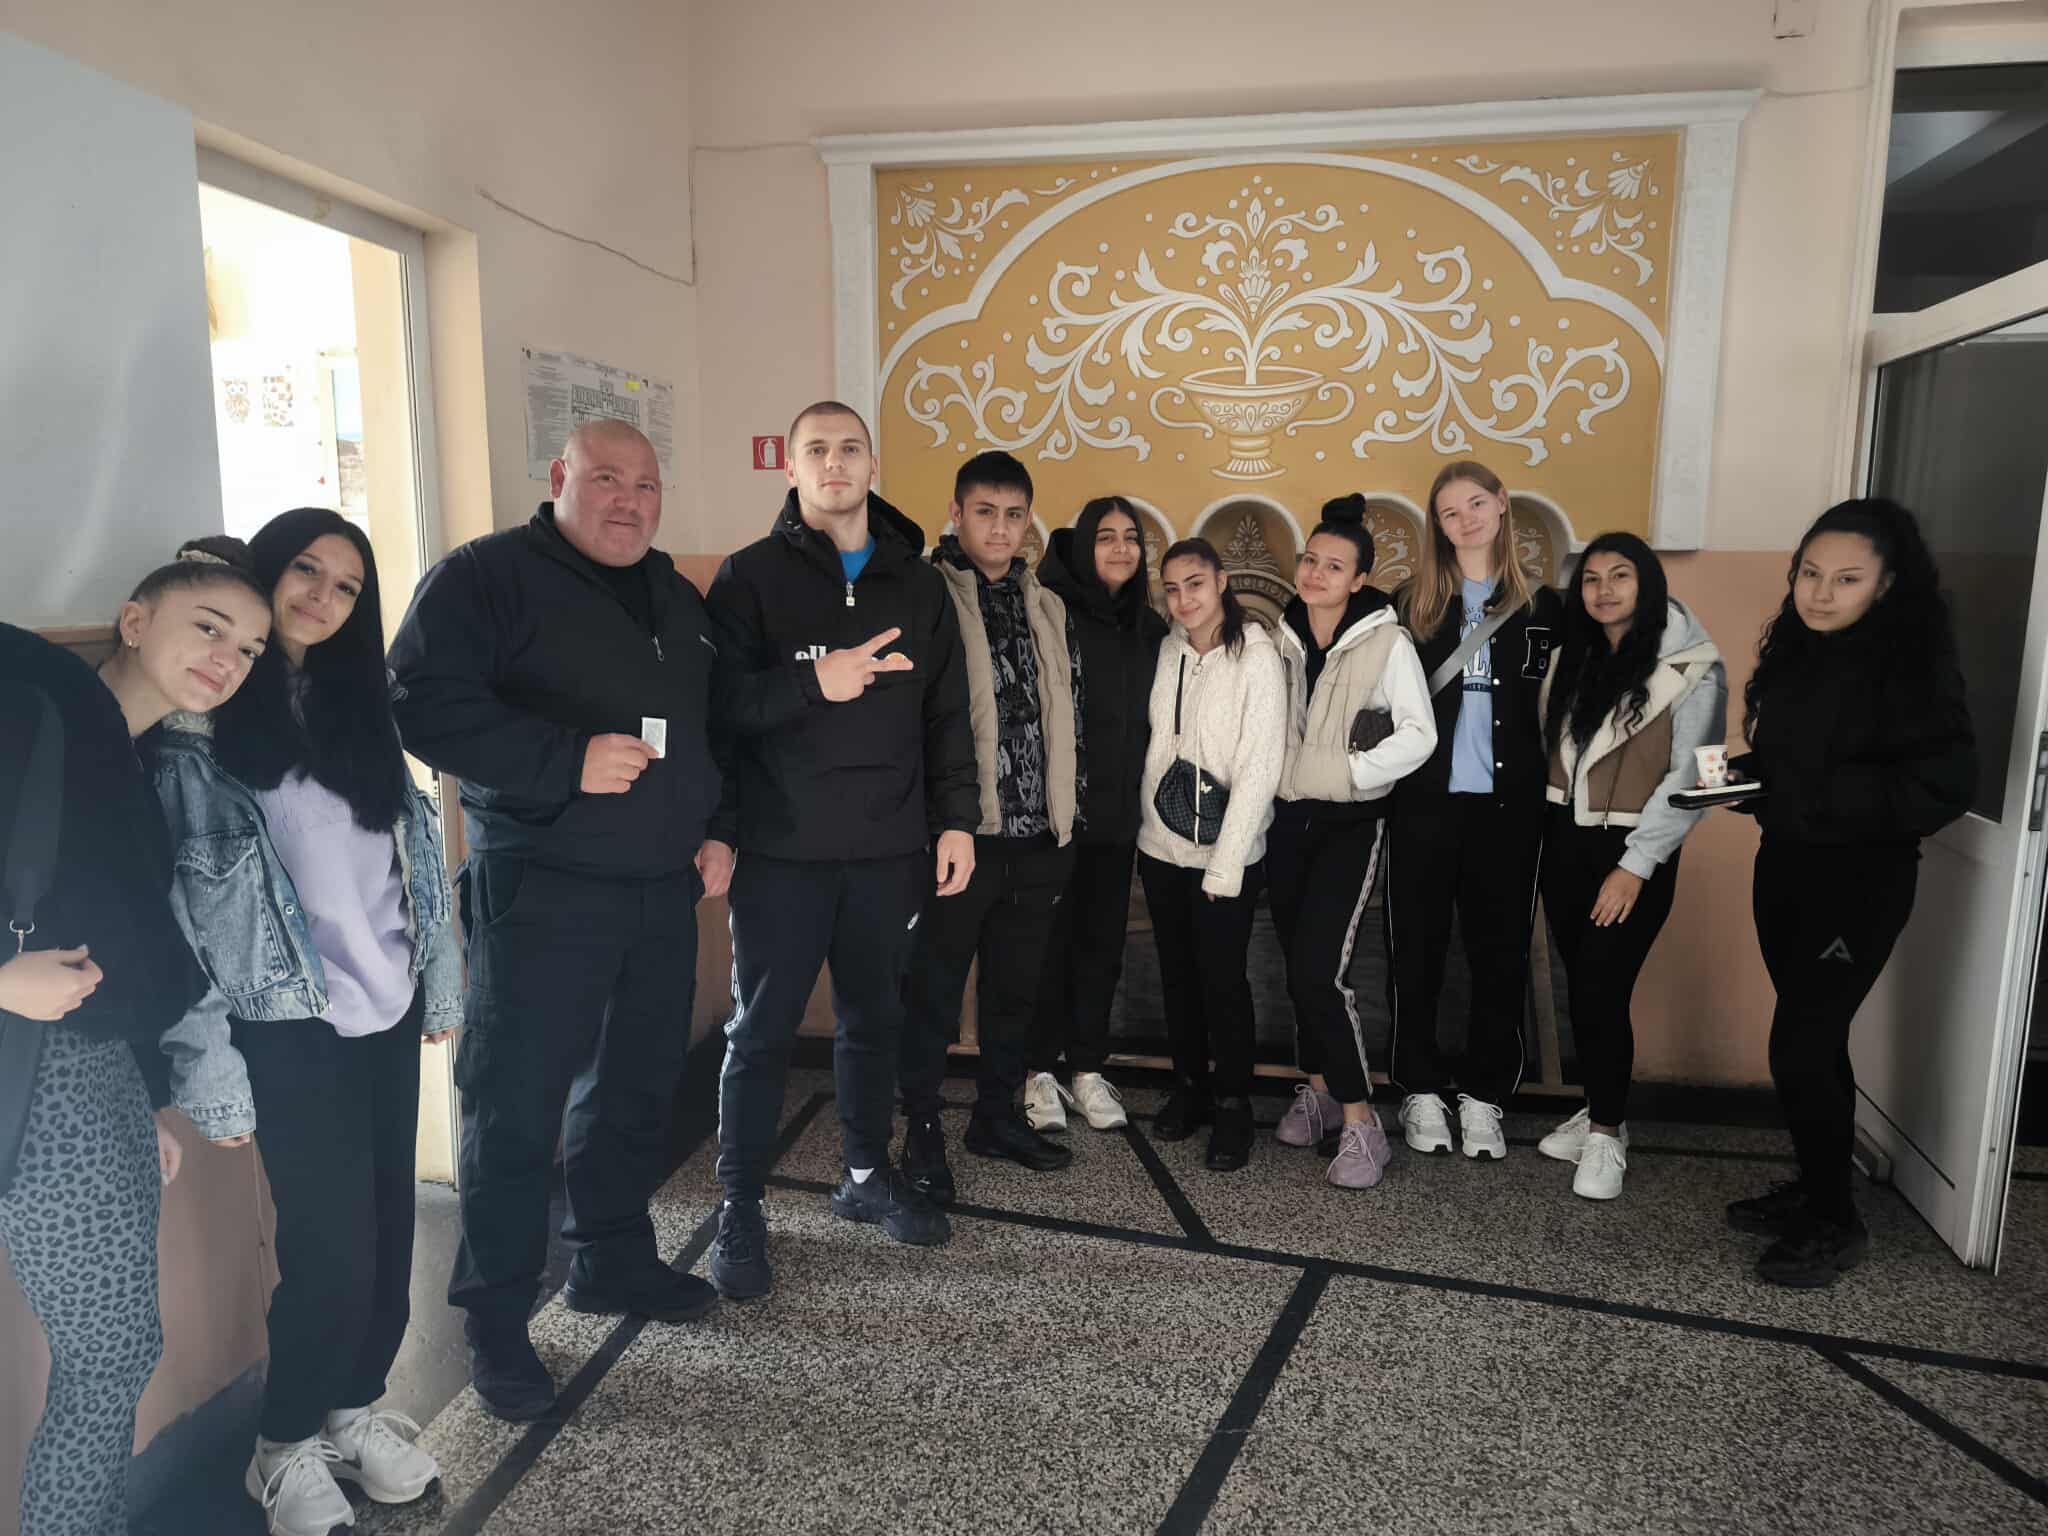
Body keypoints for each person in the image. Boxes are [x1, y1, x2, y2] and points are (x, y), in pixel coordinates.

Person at [388, 421, 727, 1421]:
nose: (628, 500)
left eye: (645, 485)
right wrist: (562, 760)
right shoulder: (484, 578)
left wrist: (720, 826)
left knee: (631, 1091)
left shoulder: (675, 595)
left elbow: (711, 727)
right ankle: (495, 1325)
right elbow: (418, 704)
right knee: (514, 1110)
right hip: (541, 888)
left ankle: (610, 1260)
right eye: (606, 478)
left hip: (660, 889)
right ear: (559, 478)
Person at [153, 510, 461, 1532]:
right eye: (307, 570)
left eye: (347, 587)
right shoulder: (201, 734)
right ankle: (281, 1446)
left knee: (387, 1236)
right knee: (330, 1252)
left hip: (386, 1010)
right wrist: (208, 1069)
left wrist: (438, 983)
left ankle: (351, 1411)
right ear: (264, 572)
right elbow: (184, 921)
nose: (322, 597)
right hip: (289, 1025)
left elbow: (408, 861)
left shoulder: (356, 709)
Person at [0, 541, 267, 1536]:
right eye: (209, 627)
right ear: (135, 620)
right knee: (111, 1357)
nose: (227, 659)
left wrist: (144, 1095)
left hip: (91, 1070)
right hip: (39, 1072)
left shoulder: (129, 758)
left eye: (249, 649)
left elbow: (136, 952)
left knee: (112, 1356)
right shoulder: (36, 704)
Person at [705, 401, 977, 1298]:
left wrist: (956, 820)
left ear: (873, 464)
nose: (834, 463)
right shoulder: (749, 578)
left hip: (887, 850)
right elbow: (722, 709)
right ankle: (740, 1204)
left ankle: (864, 1175)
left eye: (850, 448)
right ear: (790, 468)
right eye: (816, 450)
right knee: (760, 1033)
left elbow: (947, 716)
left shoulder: (919, 584)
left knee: (872, 1022)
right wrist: (812, 681)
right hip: (781, 852)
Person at [1725, 499, 1974, 1287]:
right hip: (1784, 870)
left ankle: (1836, 1223)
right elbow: (1793, 768)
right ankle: (1817, 1185)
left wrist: (1804, 798)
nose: (1821, 592)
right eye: (1810, 573)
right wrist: (1745, 782)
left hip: (1859, 883)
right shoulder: (1798, 653)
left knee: (1799, 1044)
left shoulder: (1913, 670)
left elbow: (1941, 787)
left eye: (1847, 579)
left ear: (1887, 584)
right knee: (1817, 1043)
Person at [896, 451, 1086, 1198]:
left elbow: (1064, 715)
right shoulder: (926, 593)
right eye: (984, 513)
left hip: (1038, 836)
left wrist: (1069, 817)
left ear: (1029, 519)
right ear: (956, 514)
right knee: (934, 991)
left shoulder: (1047, 603)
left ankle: (996, 1116)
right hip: (960, 836)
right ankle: (920, 1130)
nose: (1000, 529)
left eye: (1013, 515)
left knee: (1014, 991)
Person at [1533, 532, 1725, 1201]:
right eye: (1591, 579)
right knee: (1583, 986)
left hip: (1634, 852)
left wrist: (1637, 865)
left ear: (1646, 584)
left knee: (1602, 989)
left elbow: (1698, 777)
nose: (1604, 590)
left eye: (1620, 576)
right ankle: (1599, 1105)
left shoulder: (1695, 667)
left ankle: (1607, 1134)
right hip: (1565, 844)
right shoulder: (1571, 658)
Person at [1385, 460, 1564, 1161]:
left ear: (1502, 504)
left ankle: (1486, 1094)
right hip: (1424, 805)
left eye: (1476, 504)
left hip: (1509, 811)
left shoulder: (1545, 608)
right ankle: (1420, 1088)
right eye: (1450, 512)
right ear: (1437, 525)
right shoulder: (1411, 604)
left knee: (1499, 953)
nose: (1466, 520)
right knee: (1417, 949)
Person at [1268, 496, 1436, 1189]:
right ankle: (1319, 1093)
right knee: (1295, 967)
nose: (1316, 573)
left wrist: (1350, 775)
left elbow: (1419, 736)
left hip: (1348, 825)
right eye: (1310, 559)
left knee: (1320, 972)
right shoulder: (1278, 635)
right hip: (1285, 822)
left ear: (1359, 579)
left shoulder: (1386, 643)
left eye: (1333, 566)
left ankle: (1363, 1122)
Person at [1136, 538, 1285, 1173]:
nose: (1183, 600)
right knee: (1177, 975)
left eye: (1194, 584)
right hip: (1161, 845)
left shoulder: (1257, 656)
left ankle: (1233, 1104)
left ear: (1221, 581)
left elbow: (1261, 765)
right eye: (1171, 589)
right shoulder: (1169, 649)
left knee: (1222, 979)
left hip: (1227, 852)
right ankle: (1191, 1086)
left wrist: (1225, 864)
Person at [1027, 495, 1167, 1136]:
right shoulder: (1049, 611)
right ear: (1084, 545)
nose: (1120, 548)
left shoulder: (1150, 627)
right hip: (1054, 816)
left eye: (1130, 537)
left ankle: (1086, 1068)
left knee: (1101, 947)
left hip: (1117, 816)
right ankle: (1036, 1071)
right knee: (1045, 948)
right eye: (1105, 536)